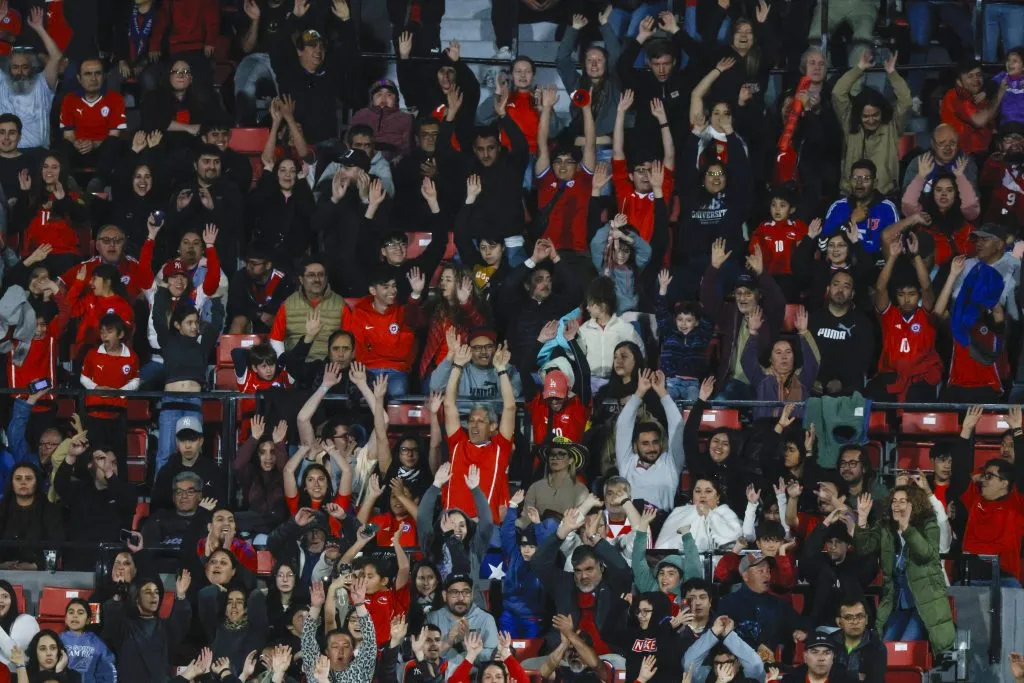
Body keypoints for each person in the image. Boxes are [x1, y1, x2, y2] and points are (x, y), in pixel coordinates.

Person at [854, 486, 955, 651]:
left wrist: (906, 528)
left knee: (903, 647)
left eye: (902, 501)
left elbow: (926, 554)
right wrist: (863, 519)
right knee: (884, 650)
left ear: (914, 504)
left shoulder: (928, 524)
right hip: (897, 603)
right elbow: (864, 548)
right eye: (894, 501)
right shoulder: (886, 527)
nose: (896, 505)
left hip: (923, 604)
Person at [532, 508, 633, 653]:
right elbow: (538, 563)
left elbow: (623, 570)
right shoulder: (564, 584)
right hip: (566, 653)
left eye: (589, 569)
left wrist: (594, 538)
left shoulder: (612, 584)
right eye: (578, 570)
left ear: (601, 567)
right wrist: (561, 533)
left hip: (607, 656)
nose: (583, 576)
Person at [701, 240, 786, 399]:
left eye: (748, 293)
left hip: (760, 384)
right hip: (732, 384)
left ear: (758, 295)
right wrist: (713, 268)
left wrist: (761, 273)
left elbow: (778, 303)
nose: (742, 298)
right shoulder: (730, 313)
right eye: (738, 293)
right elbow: (708, 300)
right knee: (718, 407)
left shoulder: (768, 316)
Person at [950, 405, 1024, 586]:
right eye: (984, 475)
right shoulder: (975, 497)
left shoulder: (1016, 501)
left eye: (989, 476)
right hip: (971, 576)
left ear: (1005, 483)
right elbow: (959, 474)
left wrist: (1018, 431)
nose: (983, 480)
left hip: (1005, 580)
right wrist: (966, 431)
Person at [442, 342, 517, 519]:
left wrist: (501, 369)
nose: (474, 425)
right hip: (454, 525)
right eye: (471, 421)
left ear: (493, 427)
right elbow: (448, 405)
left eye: (481, 421)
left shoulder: (500, 448)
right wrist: (458, 366)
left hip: (486, 528)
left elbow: (510, 408)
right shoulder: (458, 443)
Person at [867, 237, 941, 402]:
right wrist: (892, 257)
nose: (907, 300)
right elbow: (880, 288)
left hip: (920, 378)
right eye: (901, 295)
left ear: (919, 296)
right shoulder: (889, 316)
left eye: (912, 294)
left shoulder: (925, 315)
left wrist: (915, 256)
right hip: (891, 376)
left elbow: (927, 287)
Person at [832, 50, 913, 197]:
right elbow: (838, 93)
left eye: (875, 115)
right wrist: (859, 69)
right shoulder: (849, 122)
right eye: (866, 116)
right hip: (850, 194)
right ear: (858, 115)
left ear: (882, 113)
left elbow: (906, 102)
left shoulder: (892, 126)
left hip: (884, 195)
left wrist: (892, 74)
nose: (871, 120)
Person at [614, 369, 683, 511]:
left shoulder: (671, 464)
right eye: (645, 443)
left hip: (661, 527)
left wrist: (662, 393)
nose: (651, 448)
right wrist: (639, 393)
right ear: (635, 447)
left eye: (655, 442)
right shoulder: (627, 463)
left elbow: (678, 426)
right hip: (632, 527)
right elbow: (623, 425)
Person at [800, 511, 879, 627]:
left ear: (848, 545)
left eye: (838, 542)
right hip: (823, 628)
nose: (833, 546)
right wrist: (825, 523)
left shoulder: (855, 564)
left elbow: (870, 561)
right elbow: (807, 553)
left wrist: (854, 531)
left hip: (853, 626)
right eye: (830, 542)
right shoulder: (819, 563)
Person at [717, 552, 808, 650]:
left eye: (768, 571)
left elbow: (804, 626)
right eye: (761, 571)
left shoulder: (777, 604)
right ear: (746, 576)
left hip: (770, 663)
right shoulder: (729, 604)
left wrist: (803, 634)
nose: (767, 576)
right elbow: (718, 638)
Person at [0, 8, 62, 151]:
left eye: (24, 67)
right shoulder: (2, 82)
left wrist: (39, 29)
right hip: (6, 153)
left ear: (31, 68)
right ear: (9, 69)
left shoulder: (43, 83)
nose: (20, 72)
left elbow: (57, 57)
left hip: (38, 152)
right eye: (15, 67)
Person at [269, 256, 346, 360]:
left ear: (326, 278)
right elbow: (276, 339)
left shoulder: (339, 304)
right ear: (301, 279)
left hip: (330, 367)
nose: (317, 279)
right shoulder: (288, 304)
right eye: (311, 275)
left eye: (321, 275)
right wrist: (284, 367)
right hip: (296, 367)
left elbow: (350, 340)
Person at [424, 574, 498, 663]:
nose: (461, 598)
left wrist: (466, 643)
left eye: (466, 592)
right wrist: (449, 641)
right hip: (442, 675)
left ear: (472, 595)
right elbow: (424, 658)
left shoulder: (486, 619)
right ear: (444, 595)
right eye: (454, 592)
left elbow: (494, 660)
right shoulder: (433, 618)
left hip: (474, 675)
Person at [941, 60, 1003, 156]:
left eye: (979, 75)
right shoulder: (954, 96)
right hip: (962, 156)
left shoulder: (980, 97)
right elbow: (979, 121)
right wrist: (999, 95)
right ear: (959, 82)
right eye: (970, 76)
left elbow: (991, 125)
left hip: (983, 153)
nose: (976, 80)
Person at [681, 616, 765, 683]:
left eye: (728, 662)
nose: (722, 667)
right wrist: (714, 632)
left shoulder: (748, 678)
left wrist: (729, 636)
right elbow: (688, 662)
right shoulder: (705, 676)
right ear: (712, 666)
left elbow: (755, 664)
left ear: (738, 663)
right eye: (718, 663)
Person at [828, 597, 887, 683]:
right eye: (848, 617)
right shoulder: (828, 643)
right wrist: (856, 676)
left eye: (860, 616)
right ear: (839, 622)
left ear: (866, 619)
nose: (855, 622)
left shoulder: (877, 647)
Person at [60, 599, 117, 683]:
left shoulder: (97, 643)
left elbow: (108, 672)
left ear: (88, 620)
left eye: (80, 613)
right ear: (65, 619)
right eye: (71, 612)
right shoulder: (57, 640)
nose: (75, 616)